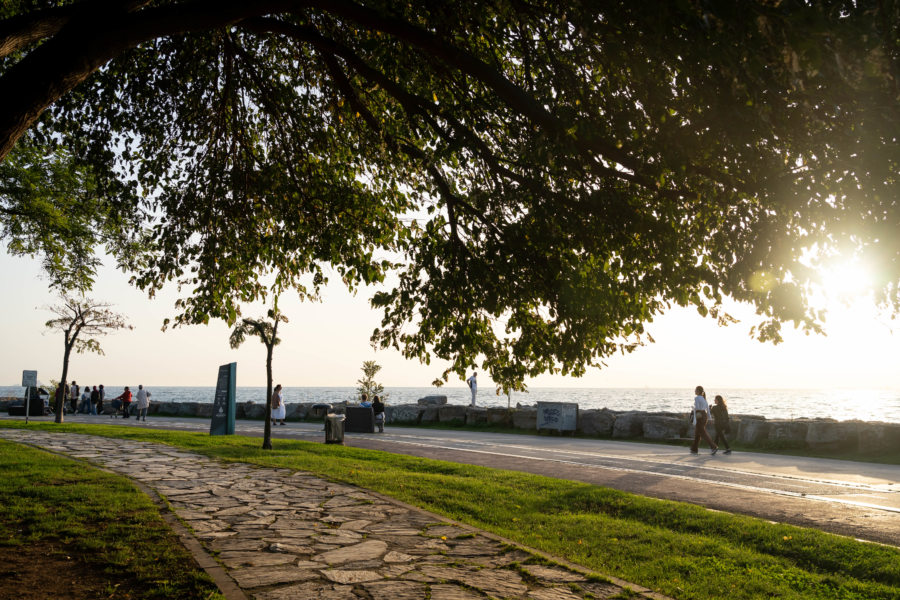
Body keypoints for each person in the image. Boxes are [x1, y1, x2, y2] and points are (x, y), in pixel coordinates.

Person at [690, 385, 718, 455]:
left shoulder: (697, 398)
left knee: (702, 433)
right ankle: (694, 449)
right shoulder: (704, 399)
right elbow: (708, 410)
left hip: (699, 415)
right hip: (704, 416)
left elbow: (697, 408)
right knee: (697, 433)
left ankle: (713, 447)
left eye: (695, 390)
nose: (694, 391)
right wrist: (710, 418)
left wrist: (693, 409)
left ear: (698, 391)